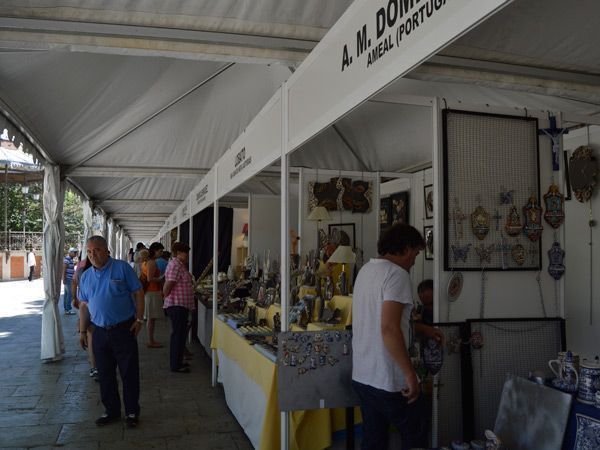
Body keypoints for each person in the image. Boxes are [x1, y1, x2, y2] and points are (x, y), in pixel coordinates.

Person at [351, 223, 443, 449]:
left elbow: (378, 320)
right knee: (415, 437)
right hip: (388, 378)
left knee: (374, 440)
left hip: (364, 375)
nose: (415, 259)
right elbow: (389, 329)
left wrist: (423, 329)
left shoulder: (366, 270)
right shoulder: (397, 275)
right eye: (416, 253)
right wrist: (410, 375)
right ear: (405, 248)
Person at [77, 236, 145, 428]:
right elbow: (84, 305)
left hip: (123, 329)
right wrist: (82, 331)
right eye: (89, 252)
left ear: (107, 250)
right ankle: (112, 411)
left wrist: (139, 319)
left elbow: (138, 292)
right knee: (105, 374)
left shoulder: (122, 268)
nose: (92, 255)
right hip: (99, 331)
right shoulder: (86, 276)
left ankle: (132, 412)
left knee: (129, 373)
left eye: (96, 250)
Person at [163, 241, 195, 373]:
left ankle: (178, 361)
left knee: (180, 334)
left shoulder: (179, 265)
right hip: (177, 305)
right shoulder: (175, 265)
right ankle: (176, 364)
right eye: (184, 252)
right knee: (178, 335)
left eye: (187, 252)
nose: (187, 254)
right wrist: (165, 296)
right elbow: (169, 284)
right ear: (177, 253)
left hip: (180, 305)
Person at [73, 257, 96, 379]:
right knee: (91, 335)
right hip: (89, 307)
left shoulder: (81, 267)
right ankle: (95, 365)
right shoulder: (86, 270)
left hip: (85, 305)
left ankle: (93, 364)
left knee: (90, 335)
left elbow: (74, 283)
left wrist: (74, 297)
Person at [143, 242, 165, 348]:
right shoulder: (151, 262)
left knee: (151, 318)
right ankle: (151, 341)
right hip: (152, 291)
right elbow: (150, 278)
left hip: (150, 292)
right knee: (151, 318)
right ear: (155, 251)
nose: (161, 253)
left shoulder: (147, 261)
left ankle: (151, 340)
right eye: (160, 251)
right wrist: (161, 278)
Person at [62, 248, 77, 315]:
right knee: (70, 294)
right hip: (68, 279)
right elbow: (64, 270)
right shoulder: (67, 259)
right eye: (74, 252)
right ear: (70, 252)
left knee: (66, 294)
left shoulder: (70, 260)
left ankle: (66, 309)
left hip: (69, 279)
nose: (75, 254)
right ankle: (68, 309)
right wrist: (64, 279)